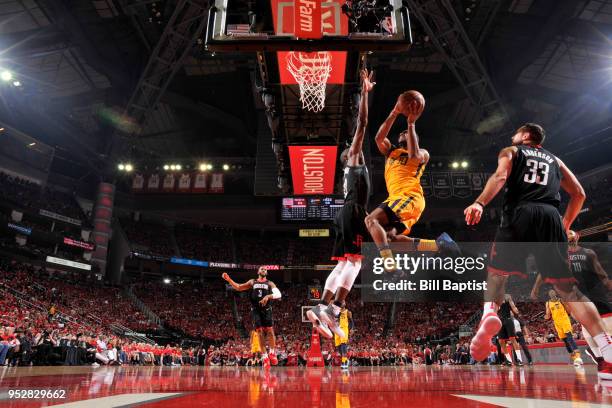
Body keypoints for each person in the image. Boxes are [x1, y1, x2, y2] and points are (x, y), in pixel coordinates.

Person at [465, 123, 611, 379]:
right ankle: (607, 351)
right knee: (568, 290)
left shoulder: (512, 150)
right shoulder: (555, 160)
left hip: (520, 213)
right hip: (551, 217)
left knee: (498, 273)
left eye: (516, 133)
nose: (512, 136)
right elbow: (579, 193)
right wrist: (564, 224)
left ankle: (489, 313)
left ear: (525, 136)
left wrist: (479, 202)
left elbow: (500, 177)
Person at [307, 69, 373, 339]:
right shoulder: (355, 160)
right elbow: (363, 123)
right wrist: (365, 94)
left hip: (347, 212)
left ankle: (322, 305)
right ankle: (334, 310)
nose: (357, 146)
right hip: (353, 211)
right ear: (351, 155)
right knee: (356, 263)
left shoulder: (348, 174)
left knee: (344, 264)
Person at [364, 92, 457, 273]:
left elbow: (414, 155)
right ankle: (438, 245)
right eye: (402, 132)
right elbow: (378, 138)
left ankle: (390, 266)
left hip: (409, 196)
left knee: (370, 219)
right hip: (399, 199)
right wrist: (395, 112)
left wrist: (411, 123)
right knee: (389, 239)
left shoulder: (422, 153)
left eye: (406, 133)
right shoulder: (392, 152)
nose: (402, 133)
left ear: (414, 138)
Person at [532, 230, 612, 366]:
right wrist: (536, 288)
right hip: (577, 295)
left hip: (596, 293)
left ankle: (600, 355)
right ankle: (600, 358)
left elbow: (602, 275)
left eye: (571, 232)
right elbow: (543, 271)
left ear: (578, 236)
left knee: (607, 326)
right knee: (588, 326)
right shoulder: (559, 255)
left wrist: (609, 285)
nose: (568, 234)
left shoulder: (588, 253)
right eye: (566, 233)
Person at [222, 266, 282, 368]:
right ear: (258, 271)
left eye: (265, 270)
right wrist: (229, 280)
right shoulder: (252, 282)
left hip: (267, 310)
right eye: (262, 269)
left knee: (270, 331)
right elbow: (239, 287)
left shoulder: (270, 283)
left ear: (266, 273)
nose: (264, 270)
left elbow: (278, 294)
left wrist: (268, 296)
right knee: (259, 332)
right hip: (255, 310)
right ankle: (265, 356)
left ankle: (272, 352)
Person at [545, 289, 582, 365]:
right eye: (550, 292)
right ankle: (574, 358)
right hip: (557, 323)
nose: (552, 293)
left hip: (564, 320)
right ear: (549, 295)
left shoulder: (561, 300)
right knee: (565, 341)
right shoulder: (548, 303)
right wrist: (546, 316)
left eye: (553, 292)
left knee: (570, 338)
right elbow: (548, 315)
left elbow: (568, 310)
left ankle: (578, 357)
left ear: (555, 293)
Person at [495, 295, 524, 366]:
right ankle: (509, 360)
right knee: (501, 341)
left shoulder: (507, 296)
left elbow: (513, 307)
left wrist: (516, 310)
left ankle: (519, 360)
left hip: (508, 319)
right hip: (500, 321)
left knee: (512, 339)